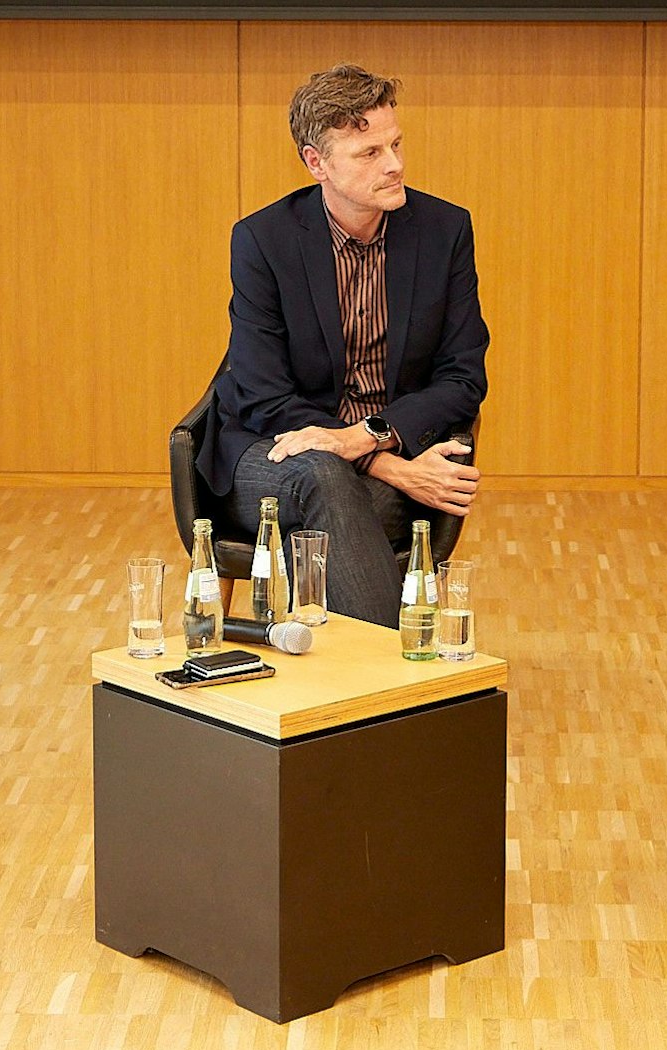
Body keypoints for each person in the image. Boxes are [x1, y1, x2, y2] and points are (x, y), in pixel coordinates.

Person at [196, 63, 488, 627]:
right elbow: (261, 396)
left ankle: (341, 691)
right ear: (316, 162)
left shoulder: (444, 230)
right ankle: (396, 688)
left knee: (340, 498)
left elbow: (463, 378)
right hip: (270, 451)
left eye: (395, 144)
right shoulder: (263, 240)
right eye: (369, 153)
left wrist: (367, 438)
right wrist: (386, 465)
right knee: (326, 476)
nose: (395, 164)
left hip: (387, 440)